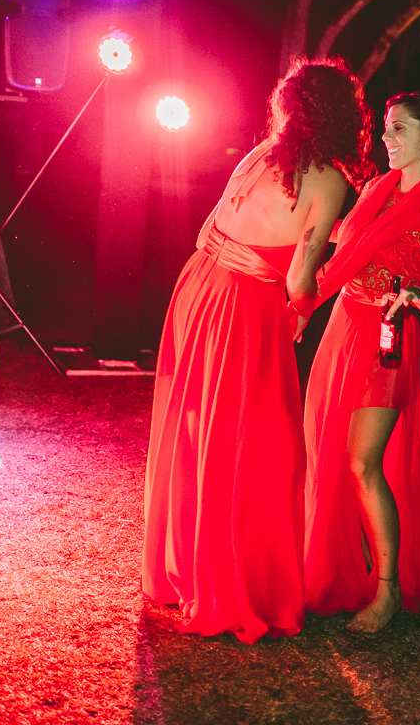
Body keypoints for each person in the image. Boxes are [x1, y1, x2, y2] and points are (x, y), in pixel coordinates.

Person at [142, 57, 374, 644]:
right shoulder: (330, 178)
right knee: (254, 442)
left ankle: (186, 570)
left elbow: (208, 229)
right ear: (344, 116)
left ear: (289, 109)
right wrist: (307, 305)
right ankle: (235, 584)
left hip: (198, 285)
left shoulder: (260, 154)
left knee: (197, 428)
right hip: (247, 307)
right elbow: (300, 280)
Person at [304, 91, 420, 633]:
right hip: (344, 326)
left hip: (388, 338)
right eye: (386, 129)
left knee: (361, 462)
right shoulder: (378, 189)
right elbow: (345, 243)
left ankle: (388, 589)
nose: (386, 139)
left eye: (398, 129)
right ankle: (327, 568)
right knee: (324, 452)